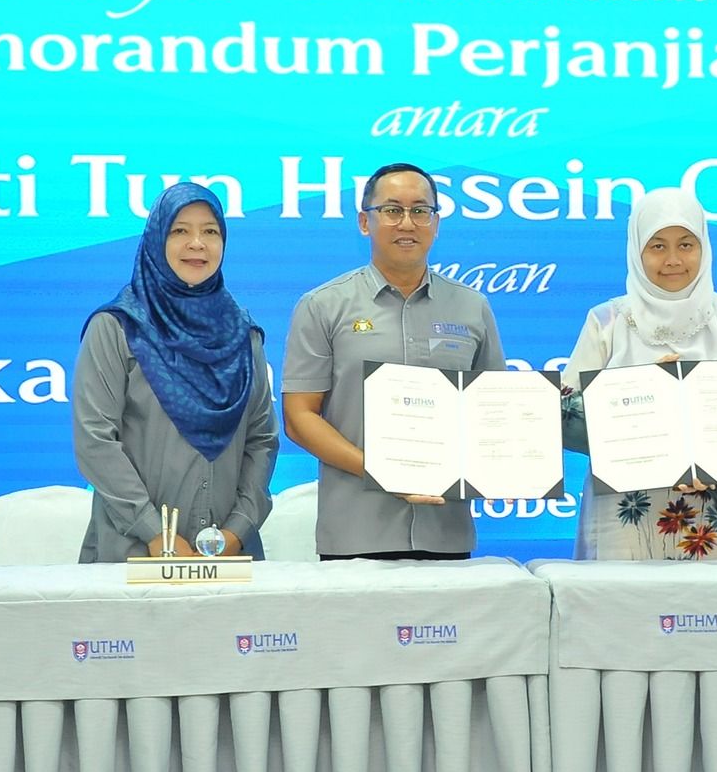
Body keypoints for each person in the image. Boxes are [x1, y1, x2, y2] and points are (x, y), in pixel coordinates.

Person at [282, 162, 507, 560]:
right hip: (355, 534)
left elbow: (496, 411)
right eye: (391, 210)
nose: (407, 223)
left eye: (420, 210)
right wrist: (380, 468)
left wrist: (511, 460)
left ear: (436, 223)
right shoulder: (322, 305)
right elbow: (299, 417)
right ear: (364, 222)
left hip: (446, 532)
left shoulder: (472, 307)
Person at [561, 188, 717, 560]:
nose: (673, 259)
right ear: (636, 249)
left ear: (704, 246)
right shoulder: (607, 321)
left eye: (686, 244)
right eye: (657, 246)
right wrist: (639, 392)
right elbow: (564, 419)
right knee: (618, 597)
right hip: (624, 515)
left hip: (711, 514)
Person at [72, 182, 277, 560]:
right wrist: (155, 532)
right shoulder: (117, 327)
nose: (197, 243)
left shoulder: (243, 334)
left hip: (229, 557)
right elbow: (95, 440)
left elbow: (261, 440)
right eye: (179, 230)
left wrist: (237, 531)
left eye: (210, 231)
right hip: (133, 552)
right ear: (155, 240)